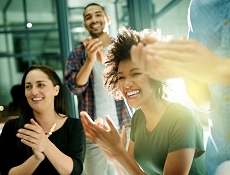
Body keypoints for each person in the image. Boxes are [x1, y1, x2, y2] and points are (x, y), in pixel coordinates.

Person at [130, 1, 230, 174]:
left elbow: (213, 68)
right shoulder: (197, 8)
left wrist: (217, 68)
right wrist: (185, 70)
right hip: (218, 164)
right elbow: (204, 101)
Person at [80, 27, 206, 175]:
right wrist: (114, 157)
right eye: (121, 77)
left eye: (136, 73)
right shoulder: (138, 118)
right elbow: (132, 172)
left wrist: (119, 152)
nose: (126, 84)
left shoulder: (182, 119)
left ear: (155, 73)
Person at [64, 3, 132, 175]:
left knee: (129, 171)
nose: (94, 19)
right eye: (88, 17)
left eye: (98, 15)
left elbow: (133, 80)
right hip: (93, 131)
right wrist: (90, 59)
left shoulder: (122, 48)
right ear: (85, 24)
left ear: (107, 19)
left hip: (125, 125)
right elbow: (74, 87)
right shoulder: (78, 53)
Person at [0, 65, 86, 175]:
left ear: (56, 90)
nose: (34, 91)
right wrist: (36, 159)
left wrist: (45, 144)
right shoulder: (12, 128)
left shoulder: (74, 125)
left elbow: (74, 171)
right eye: (28, 87)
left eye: (41, 85)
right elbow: (6, 173)